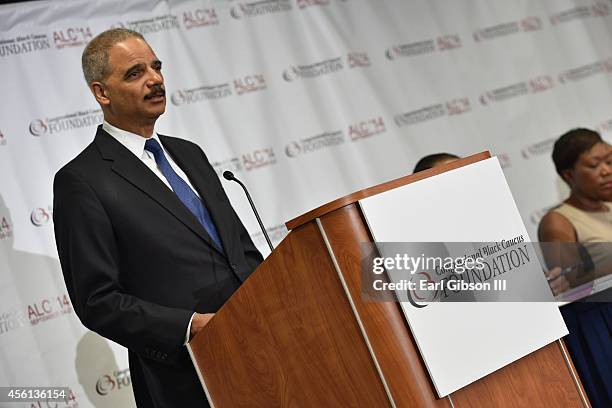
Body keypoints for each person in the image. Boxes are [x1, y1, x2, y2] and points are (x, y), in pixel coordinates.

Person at [53, 28, 263, 407]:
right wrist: (189, 326)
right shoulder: (81, 181)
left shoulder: (190, 154)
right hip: (186, 376)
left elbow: (240, 251)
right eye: (135, 73)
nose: (155, 79)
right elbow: (97, 300)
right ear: (102, 92)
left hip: (263, 346)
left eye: (156, 67)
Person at [538, 128, 612, 408]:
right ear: (569, 175)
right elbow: (571, 281)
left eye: (611, 160)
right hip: (602, 324)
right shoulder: (558, 221)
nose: (607, 170)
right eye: (595, 165)